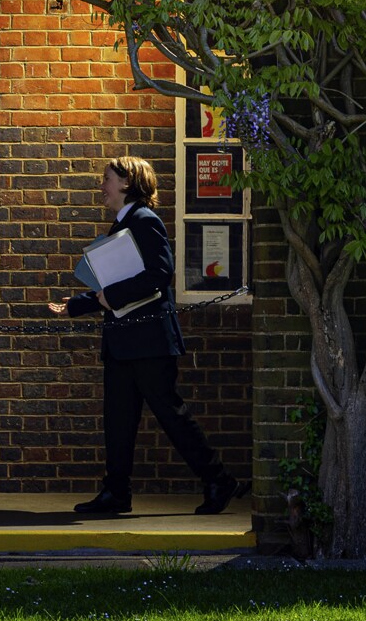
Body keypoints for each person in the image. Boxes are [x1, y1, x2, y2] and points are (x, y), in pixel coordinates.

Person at [49, 155, 240, 517]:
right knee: (118, 420)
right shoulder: (122, 224)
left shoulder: (143, 220)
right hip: (126, 342)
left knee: (172, 416)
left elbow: (158, 274)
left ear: (126, 182)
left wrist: (109, 296)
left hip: (149, 343)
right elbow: (119, 283)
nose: (101, 186)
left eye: (106, 179)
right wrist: (78, 304)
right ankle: (116, 493)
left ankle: (219, 480)